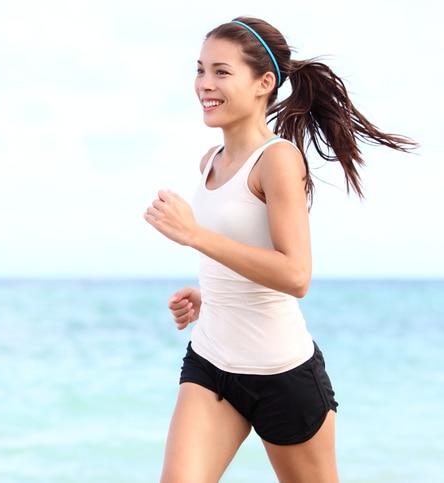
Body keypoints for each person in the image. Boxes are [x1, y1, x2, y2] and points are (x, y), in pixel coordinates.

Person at [143, 16, 417, 483]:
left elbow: (296, 276)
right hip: (212, 364)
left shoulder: (279, 160)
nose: (204, 84)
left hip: (282, 375)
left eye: (221, 72)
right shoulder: (210, 160)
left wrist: (193, 235)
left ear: (263, 83)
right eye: (200, 69)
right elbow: (246, 255)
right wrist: (214, 293)